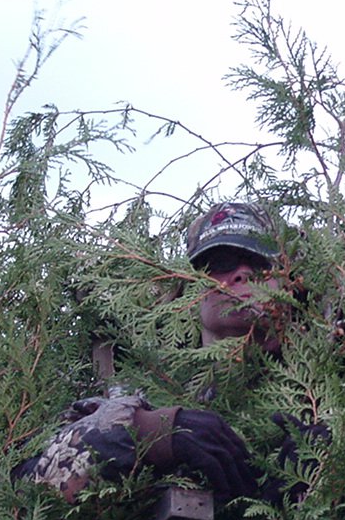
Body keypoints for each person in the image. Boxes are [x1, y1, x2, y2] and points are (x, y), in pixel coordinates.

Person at [16, 202, 286, 504]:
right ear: (194, 290)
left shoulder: (324, 377)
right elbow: (25, 487)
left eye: (260, 261)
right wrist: (152, 433)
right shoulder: (149, 394)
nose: (242, 273)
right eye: (221, 262)